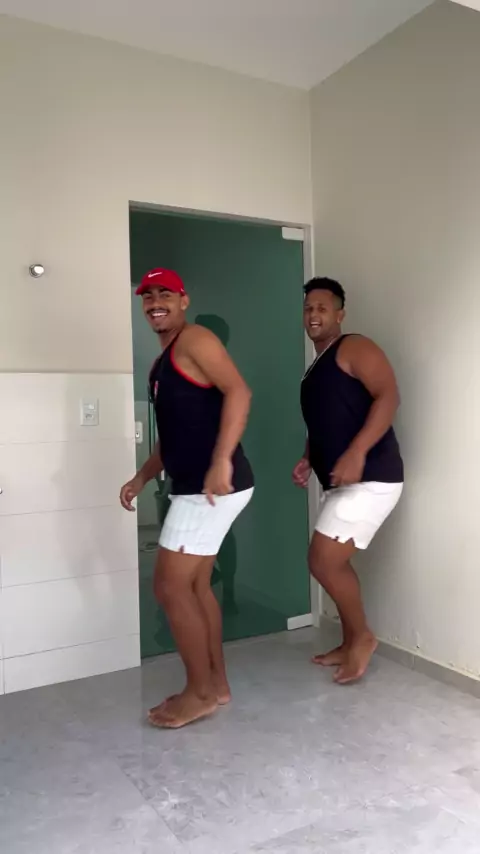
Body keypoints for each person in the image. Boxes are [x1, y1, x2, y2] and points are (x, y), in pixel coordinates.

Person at [120, 268, 254, 728]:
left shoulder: (195, 339)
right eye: (148, 297)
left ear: (183, 300)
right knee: (195, 587)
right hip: (198, 485)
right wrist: (142, 477)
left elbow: (239, 391)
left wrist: (222, 459)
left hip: (208, 488)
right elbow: (173, 434)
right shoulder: (162, 363)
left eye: (165, 295)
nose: (155, 303)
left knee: (169, 587)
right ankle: (215, 684)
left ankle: (199, 693)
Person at [293, 277, 403, 685]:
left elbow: (388, 396)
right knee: (330, 562)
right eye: (308, 308)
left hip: (373, 476)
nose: (313, 314)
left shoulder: (354, 347)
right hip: (343, 482)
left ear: (340, 314)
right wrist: (308, 458)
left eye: (322, 308)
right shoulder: (314, 370)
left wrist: (357, 452)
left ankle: (363, 638)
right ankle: (350, 639)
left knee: (323, 560)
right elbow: (326, 420)